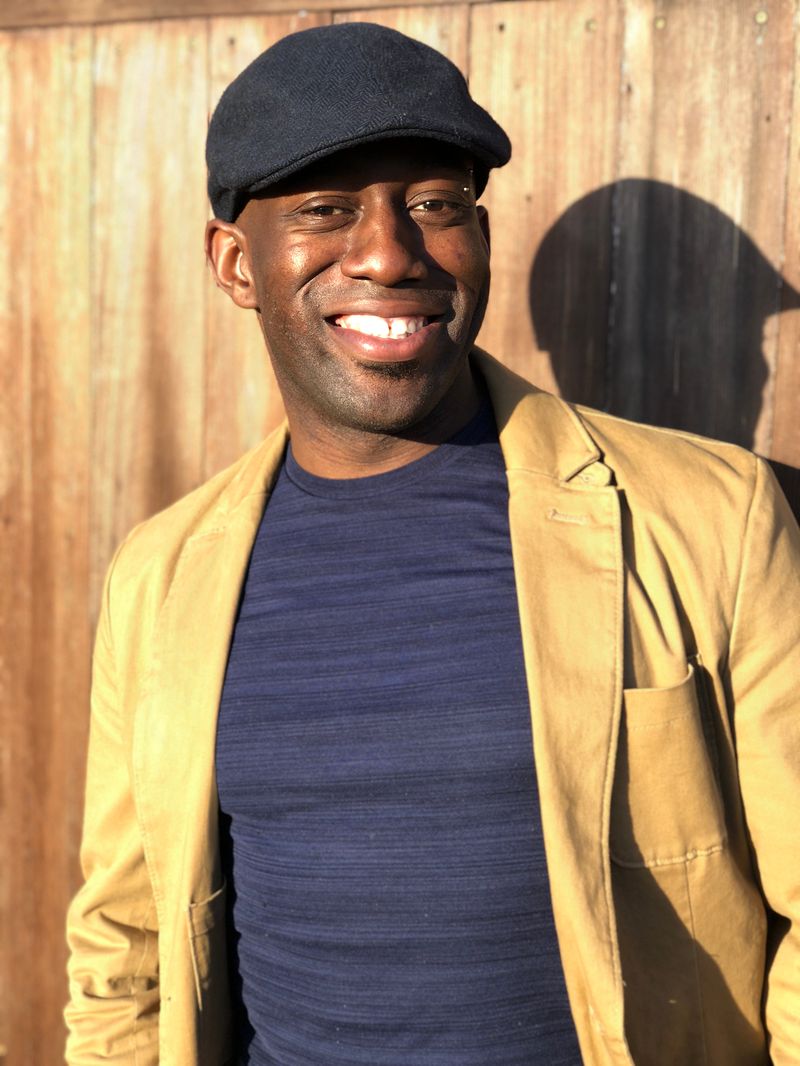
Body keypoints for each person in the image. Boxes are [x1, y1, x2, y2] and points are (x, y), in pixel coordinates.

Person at [64, 22, 800, 1066]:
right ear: (236, 264)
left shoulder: (712, 518)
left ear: (479, 238)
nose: (387, 252)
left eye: (434, 205)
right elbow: (124, 946)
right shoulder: (161, 576)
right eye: (326, 209)